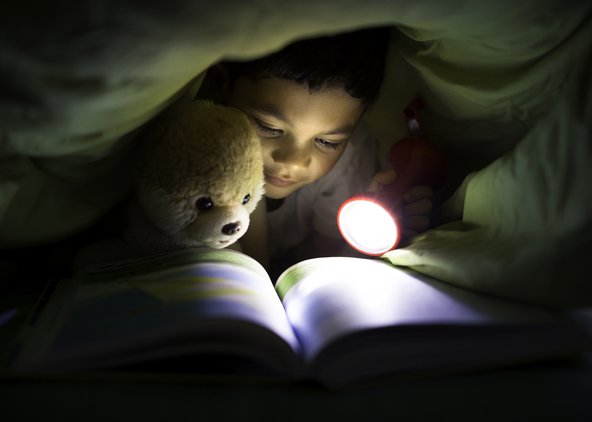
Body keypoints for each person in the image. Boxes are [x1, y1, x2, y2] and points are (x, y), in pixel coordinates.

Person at [196, 27, 434, 277]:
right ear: (221, 84)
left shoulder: (349, 163)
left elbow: (310, 267)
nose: (294, 162)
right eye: (270, 128)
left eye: (326, 142)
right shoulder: (200, 146)